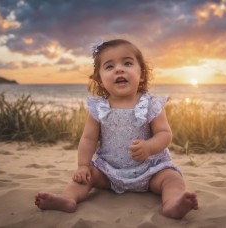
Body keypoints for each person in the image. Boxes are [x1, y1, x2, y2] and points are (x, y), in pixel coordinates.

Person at [35, 39, 198, 219]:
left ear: (141, 74)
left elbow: (165, 134)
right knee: (85, 176)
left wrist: (149, 147)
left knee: (172, 178)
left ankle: (172, 204)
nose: (119, 69)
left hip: (150, 170)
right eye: (109, 66)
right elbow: (88, 138)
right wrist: (82, 165)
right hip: (109, 171)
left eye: (127, 63)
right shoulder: (100, 108)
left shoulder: (150, 104)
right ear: (100, 79)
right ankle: (67, 199)